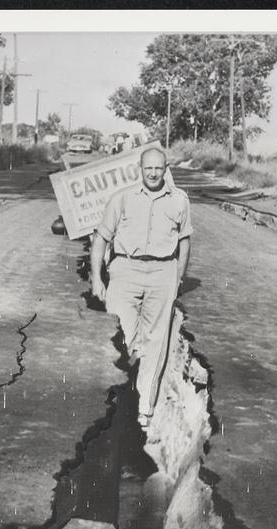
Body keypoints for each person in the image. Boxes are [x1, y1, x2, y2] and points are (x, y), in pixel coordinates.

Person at [89, 147, 193, 430]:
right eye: (148, 168)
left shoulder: (180, 200)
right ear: (140, 168)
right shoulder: (121, 198)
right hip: (125, 269)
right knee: (123, 328)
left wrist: (178, 277)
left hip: (163, 271)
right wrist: (97, 278)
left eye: (158, 168)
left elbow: (184, 242)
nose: (153, 173)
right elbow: (100, 239)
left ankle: (145, 410)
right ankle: (121, 387)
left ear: (166, 168)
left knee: (156, 342)